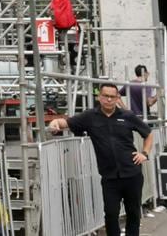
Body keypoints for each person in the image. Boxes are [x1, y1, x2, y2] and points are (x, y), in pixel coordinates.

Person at [49, 82, 154, 236]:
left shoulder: (127, 116)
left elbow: (148, 133)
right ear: (99, 97)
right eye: (106, 96)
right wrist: (55, 122)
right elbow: (66, 122)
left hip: (132, 173)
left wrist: (144, 153)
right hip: (109, 177)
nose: (109, 100)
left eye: (112, 96)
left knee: (133, 212)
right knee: (111, 214)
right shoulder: (90, 117)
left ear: (117, 98)